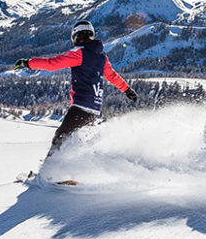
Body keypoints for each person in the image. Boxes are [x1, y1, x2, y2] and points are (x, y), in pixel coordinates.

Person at [14, 20, 138, 157]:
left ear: (76, 36)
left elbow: (52, 64)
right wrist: (127, 90)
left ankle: (51, 173)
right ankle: (71, 169)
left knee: (60, 138)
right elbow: (112, 76)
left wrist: (28, 63)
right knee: (70, 141)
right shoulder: (102, 56)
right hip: (94, 108)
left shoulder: (79, 53)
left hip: (81, 105)